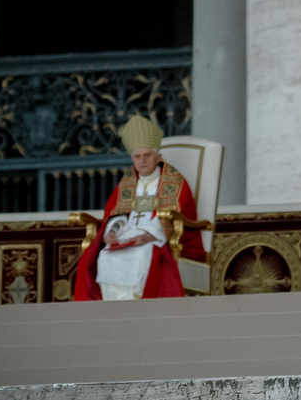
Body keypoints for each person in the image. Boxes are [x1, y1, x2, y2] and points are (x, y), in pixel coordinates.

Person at [74, 115, 204, 301]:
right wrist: (112, 232)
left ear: (158, 156)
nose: (142, 161)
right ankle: (113, 310)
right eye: (137, 157)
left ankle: (138, 309)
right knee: (105, 256)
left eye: (147, 156)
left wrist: (147, 236)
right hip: (125, 238)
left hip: (153, 241)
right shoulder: (127, 183)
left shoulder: (174, 182)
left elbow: (173, 216)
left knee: (142, 254)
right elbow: (117, 214)